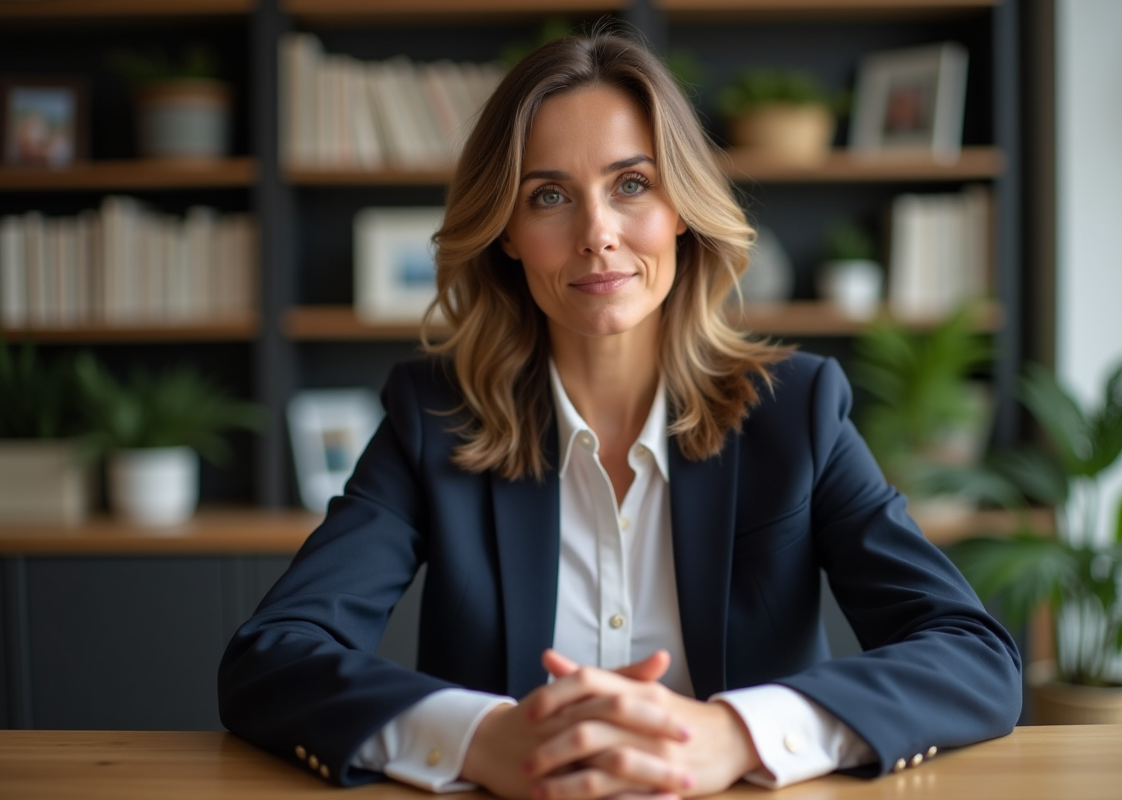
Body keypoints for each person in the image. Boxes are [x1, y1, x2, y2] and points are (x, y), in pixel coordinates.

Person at [218, 31, 1021, 797]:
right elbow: (271, 657)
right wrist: (481, 738)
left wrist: (734, 735)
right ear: (505, 232)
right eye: (549, 196)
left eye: (631, 184)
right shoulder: (434, 417)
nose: (597, 234)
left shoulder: (797, 411)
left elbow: (972, 656)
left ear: (682, 207)